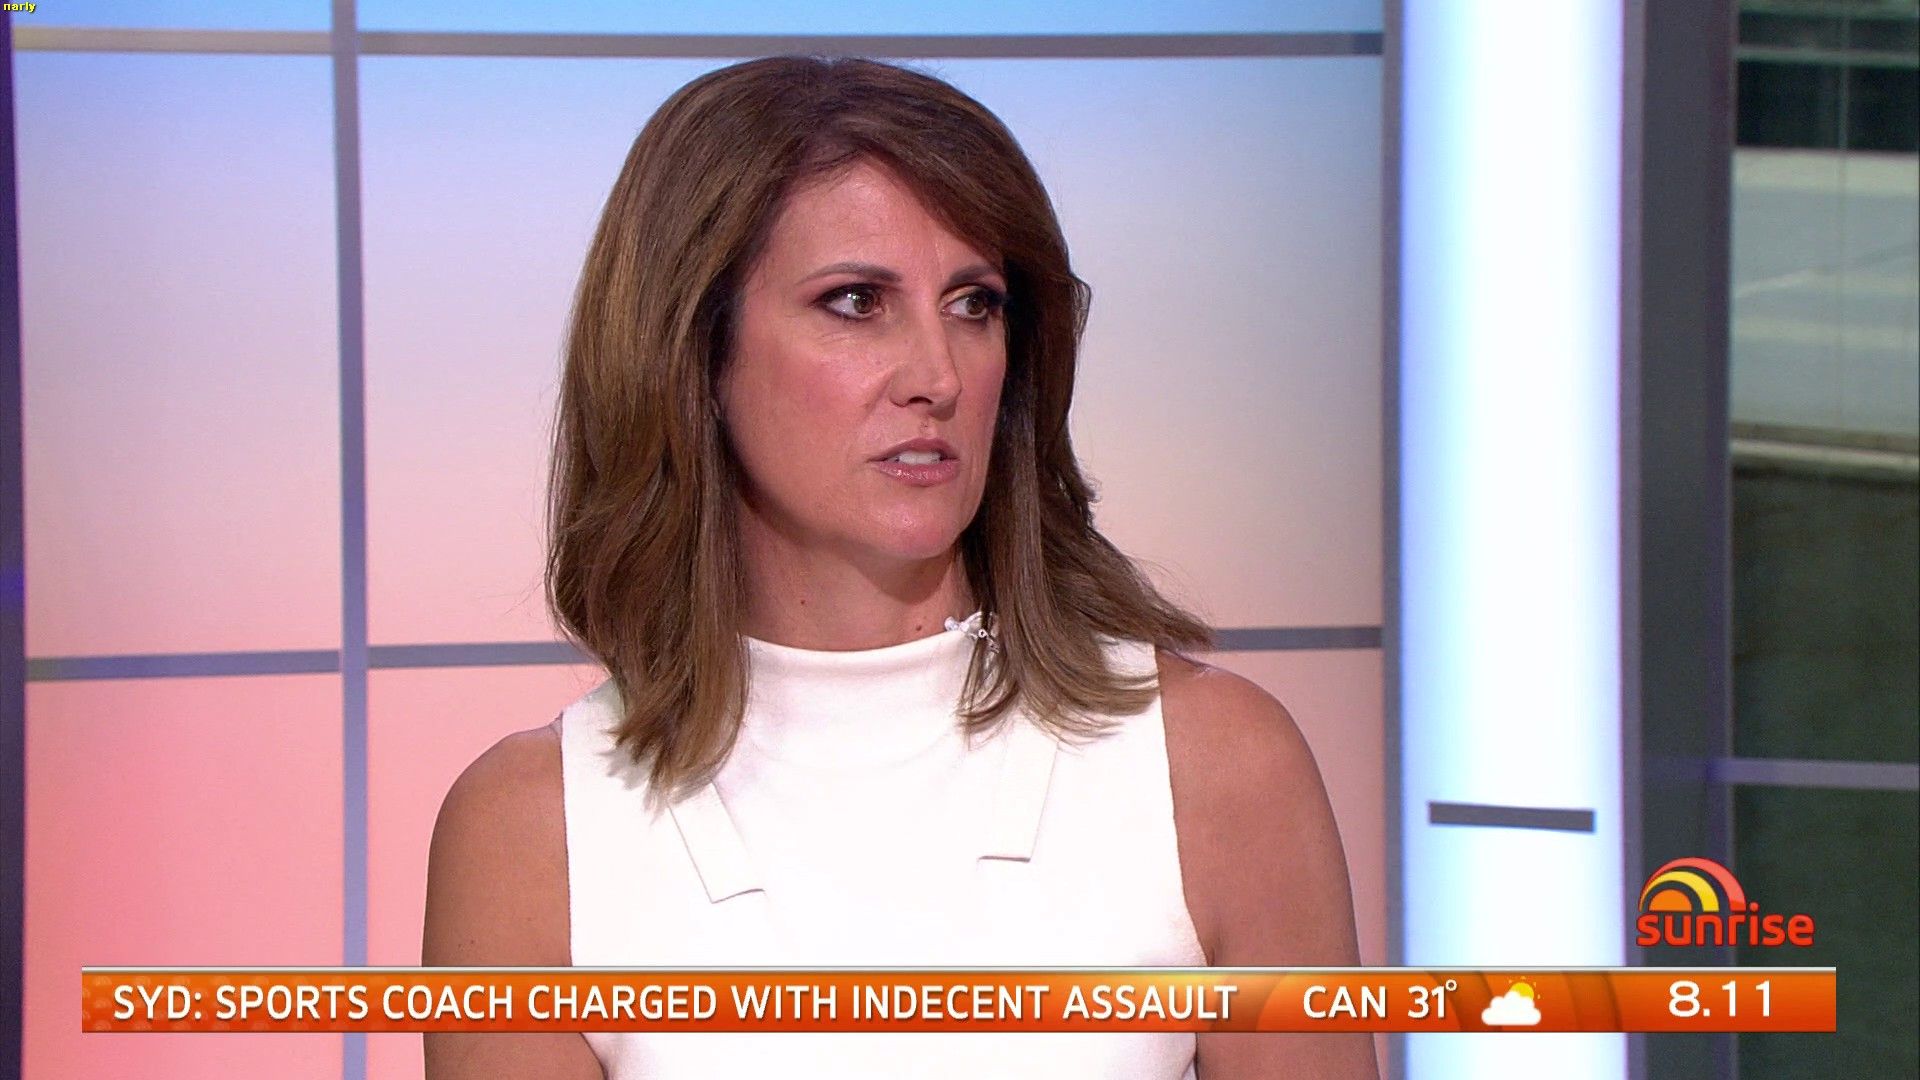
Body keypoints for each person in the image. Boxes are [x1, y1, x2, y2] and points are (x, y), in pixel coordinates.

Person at [423, 55, 1375, 1079]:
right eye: (855, 301)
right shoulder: (536, 830)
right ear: (694, 354)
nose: (937, 375)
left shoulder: (1214, 767)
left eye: (974, 304)